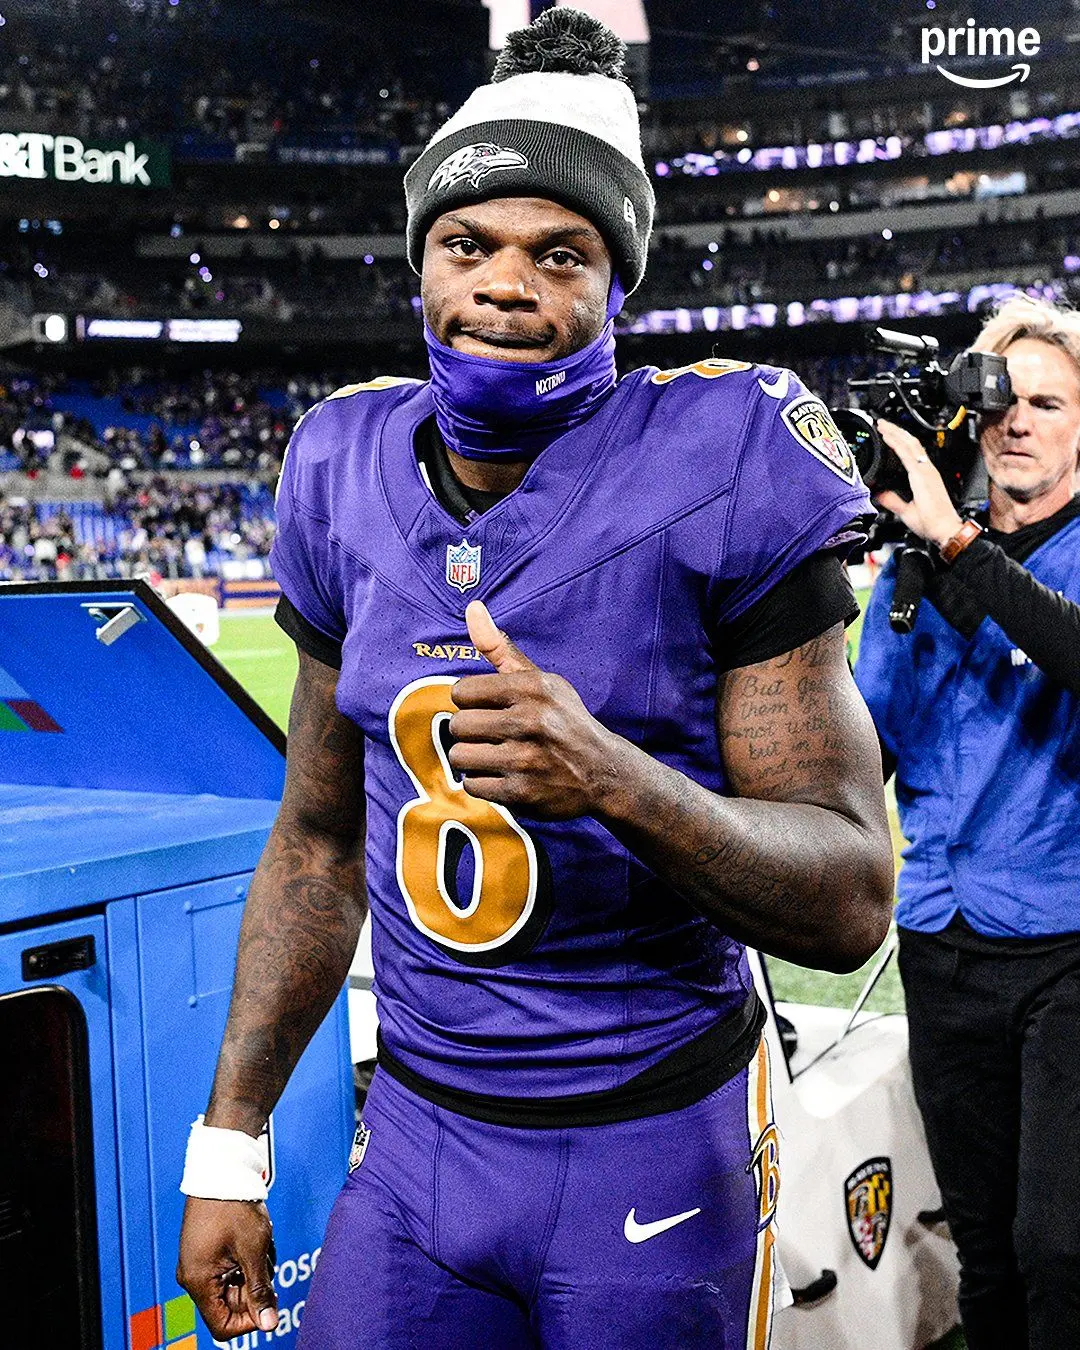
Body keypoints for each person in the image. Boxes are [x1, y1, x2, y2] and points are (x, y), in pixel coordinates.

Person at [177, 10, 893, 1348]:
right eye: (468, 243)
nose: (506, 283)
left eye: (559, 253)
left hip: (650, 1138)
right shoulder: (339, 464)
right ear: (420, 267)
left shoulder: (724, 451)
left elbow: (852, 891)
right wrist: (231, 1142)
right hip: (418, 1136)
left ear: (617, 286)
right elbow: (320, 840)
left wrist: (617, 780)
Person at [855, 294, 1080, 1350]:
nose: (1018, 421)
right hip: (943, 941)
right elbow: (870, 752)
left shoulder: (964, 549)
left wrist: (957, 542)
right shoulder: (913, 569)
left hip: (1068, 949)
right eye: (1001, 400)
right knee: (984, 1251)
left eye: (1050, 403)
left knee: (1060, 1249)